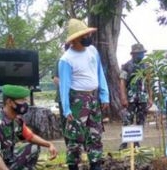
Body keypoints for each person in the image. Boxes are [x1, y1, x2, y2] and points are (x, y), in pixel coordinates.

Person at [58, 18, 109, 170]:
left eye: (88, 34)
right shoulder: (66, 59)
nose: (88, 37)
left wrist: (104, 95)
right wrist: (66, 109)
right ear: (75, 39)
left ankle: (96, 166)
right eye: (84, 35)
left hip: (93, 98)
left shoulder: (92, 51)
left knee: (95, 134)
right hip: (77, 101)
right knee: (75, 138)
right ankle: (73, 166)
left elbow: (100, 74)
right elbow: (64, 86)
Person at [0, 84, 58, 170]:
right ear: (10, 102)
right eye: (22, 100)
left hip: (6, 160)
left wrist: (49, 144)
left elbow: (30, 136)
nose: (26, 103)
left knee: (33, 147)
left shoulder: (16, 120)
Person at [119, 43, 153, 150]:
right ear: (133, 54)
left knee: (141, 120)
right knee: (127, 119)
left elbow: (149, 83)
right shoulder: (126, 66)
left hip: (143, 97)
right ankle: (125, 142)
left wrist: (150, 98)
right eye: (139, 53)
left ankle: (136, 142)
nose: (141, 55)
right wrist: (123, 97)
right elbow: (122, 82)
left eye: (142, 53)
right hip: (130, 98)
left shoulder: (146, 67)